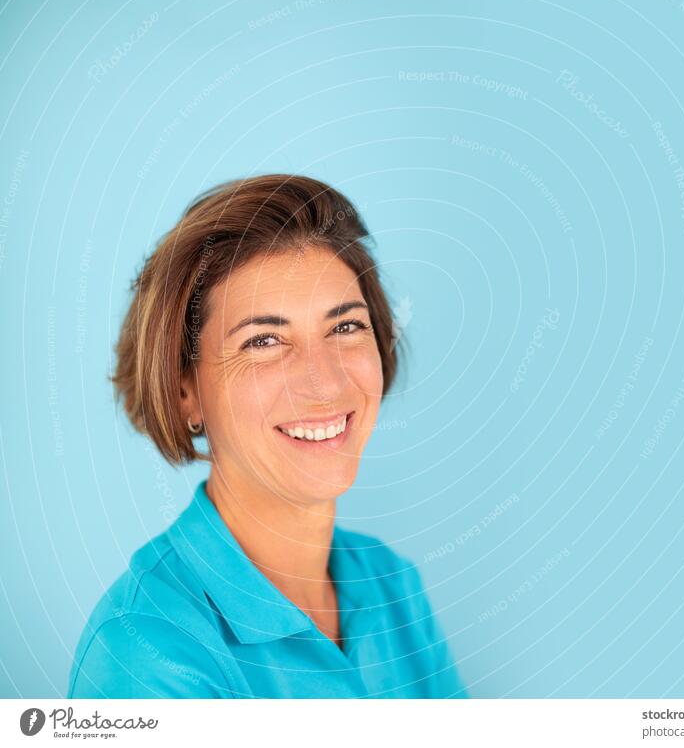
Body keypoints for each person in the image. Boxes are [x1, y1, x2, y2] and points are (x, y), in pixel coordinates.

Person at [68, 174, 468, 698]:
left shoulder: (389, 584)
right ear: (184, 389)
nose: (325, 383)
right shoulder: (145, 651)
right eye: (264, 341)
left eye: (345, 327)